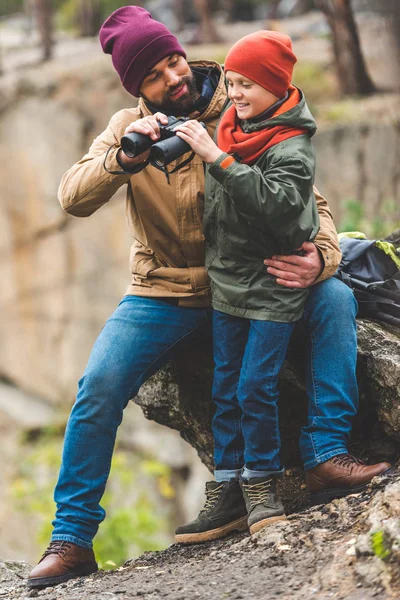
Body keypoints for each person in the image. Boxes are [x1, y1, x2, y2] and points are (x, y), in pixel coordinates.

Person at [27, 6, 390, 589]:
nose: (172, 78)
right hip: (167, 290)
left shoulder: (244, 106)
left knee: (336, 300)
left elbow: (311, 205)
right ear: (137, 89)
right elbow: (72, 195)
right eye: (154, 75)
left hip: (254, 280)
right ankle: (71, 539)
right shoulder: (129, 127)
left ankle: (326, 453)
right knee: (97, 387)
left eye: (173, 61)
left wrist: (320, 256)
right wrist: (125, 157)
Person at [173, 29, 320, 542]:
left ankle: (263, 482)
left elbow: (281, 209)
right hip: (228, 284)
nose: (235, 94)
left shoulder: (291, 146)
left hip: (273, 289)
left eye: (248, 85)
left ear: (277, 87)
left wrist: (218, 159)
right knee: (225, 386)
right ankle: (230, 483)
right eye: (231, 83)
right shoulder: (234, 125)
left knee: (257, 386)